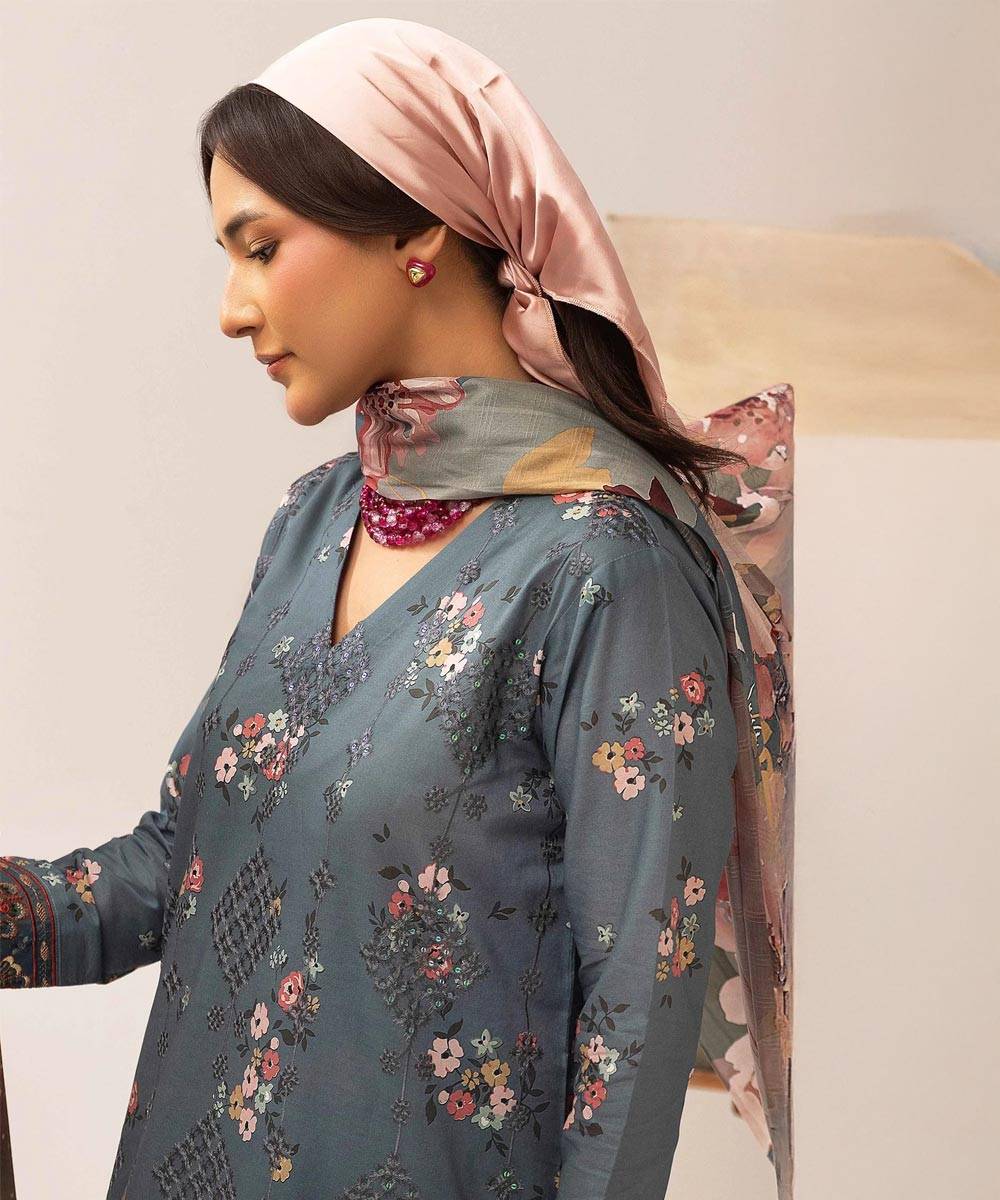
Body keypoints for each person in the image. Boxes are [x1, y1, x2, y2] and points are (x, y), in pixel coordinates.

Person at [0, 18, 793, 1199]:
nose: (232, 308)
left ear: (416, 230)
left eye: (261, 248)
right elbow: (183, 867)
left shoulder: (604, 566)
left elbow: (634, 1026)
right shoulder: (316, 517)